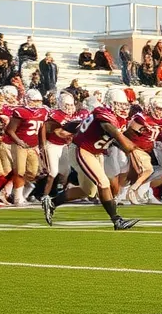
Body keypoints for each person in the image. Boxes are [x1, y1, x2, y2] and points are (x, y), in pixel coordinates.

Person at [42, 89, 139, 230]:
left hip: (94, 151)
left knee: (88, 190)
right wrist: (127, 146)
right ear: (110, 103)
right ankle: (117, 220)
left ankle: (52, 203)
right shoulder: (105, 114)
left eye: (124, 105)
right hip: (82, 149)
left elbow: (111, 137)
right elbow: (111, 130)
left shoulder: (117, 118)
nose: (123, 108)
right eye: (119, 104)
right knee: (103, 182)